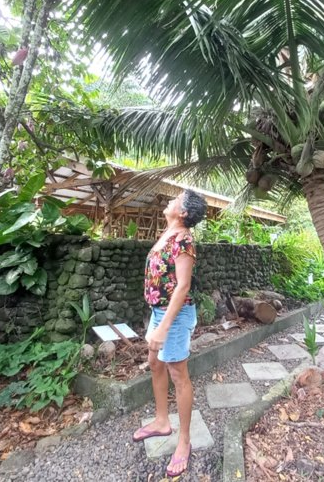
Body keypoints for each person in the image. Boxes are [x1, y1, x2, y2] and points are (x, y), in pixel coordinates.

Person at [132, 189, 207, 477]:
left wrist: (163, 328)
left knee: (178, 374)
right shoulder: (168, 234)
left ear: (184, 213)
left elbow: (183, 286)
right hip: (159, 313)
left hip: (173, 317)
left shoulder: (184, 240)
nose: (169, 201)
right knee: (154, 364)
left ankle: (184, 441)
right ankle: (162, 421)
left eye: (175, 199)